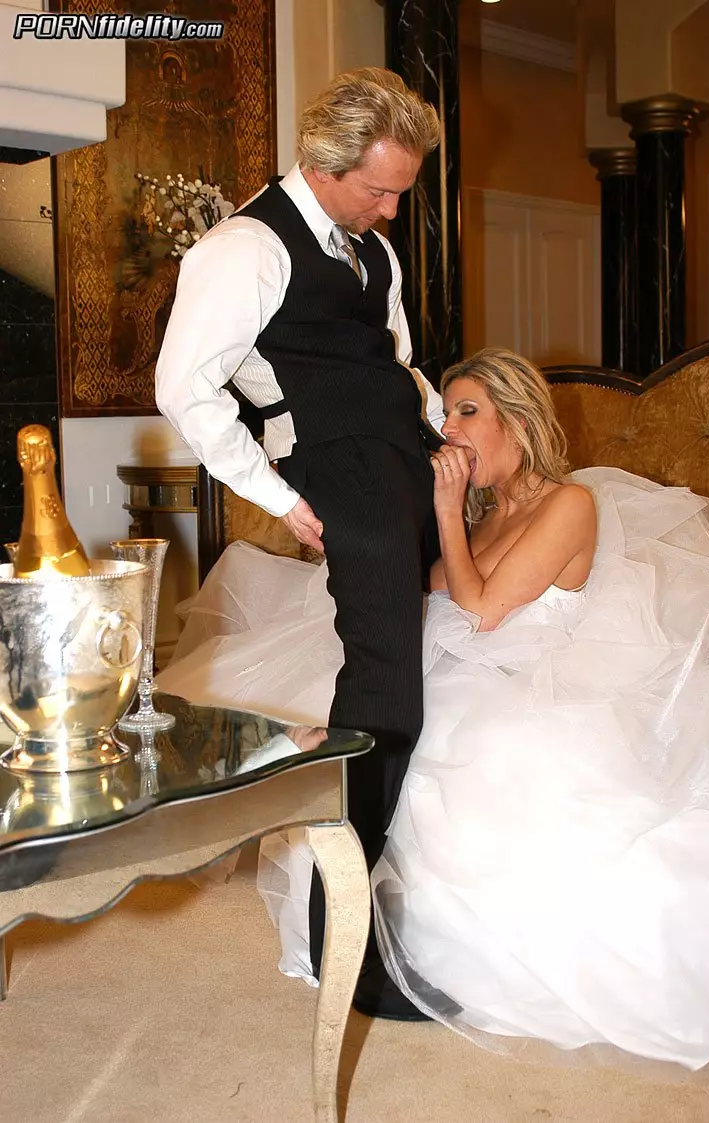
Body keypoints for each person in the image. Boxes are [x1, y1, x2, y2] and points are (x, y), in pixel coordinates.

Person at [159, 347, 709, 1069]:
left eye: (468, 411)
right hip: (457, 665)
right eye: (446, 414)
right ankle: (357, 919)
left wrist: (443, 509)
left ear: (517, 421)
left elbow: (481, 609)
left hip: (534, 680)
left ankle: (431, 940)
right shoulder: (481, 516)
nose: (451, 429)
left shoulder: (570, 504)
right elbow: (421, 590)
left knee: (465, 743)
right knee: (352, 713)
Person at [155, 67, 443, 1020]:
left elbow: (393, 364)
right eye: (380, 190)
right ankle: (342, 946)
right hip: (338, 473)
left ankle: (381, 919)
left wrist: (446, 433)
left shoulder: (373, 250)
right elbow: (184, 388)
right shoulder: (242, 248)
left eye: (400, 191)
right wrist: (277, 494)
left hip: (402, 464)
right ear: (323, 163)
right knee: (384, 703)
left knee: (412, 688)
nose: (392, 211)